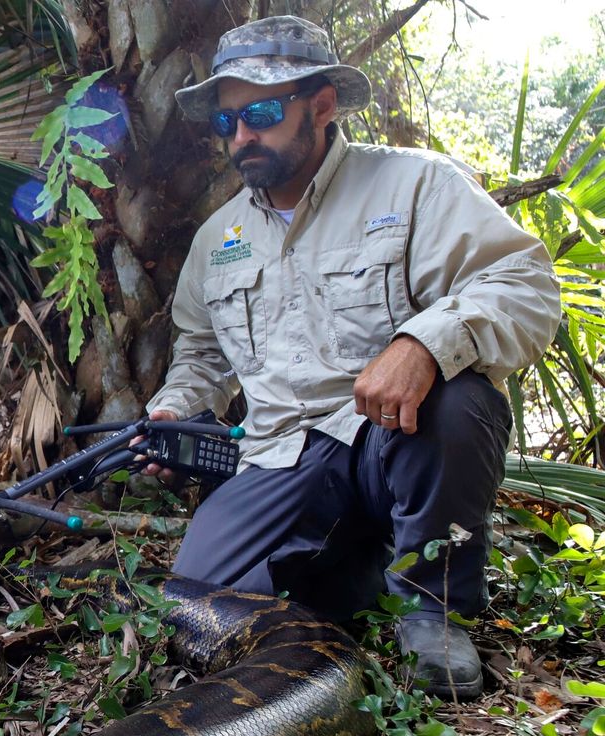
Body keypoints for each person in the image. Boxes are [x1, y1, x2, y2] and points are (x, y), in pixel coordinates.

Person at [146, 16, 561, 700]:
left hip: (391, 436)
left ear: (322, 106)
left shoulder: (415, 185)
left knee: (460, 398)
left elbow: (523, 283)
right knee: (192, 608)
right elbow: (201, 354)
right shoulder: (218, 238)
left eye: (262, 114)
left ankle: (435, 609)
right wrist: (176, 405)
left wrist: (423, 344)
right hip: (282, 455)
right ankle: (360, 575)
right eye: (228, 123)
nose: (242, 136)